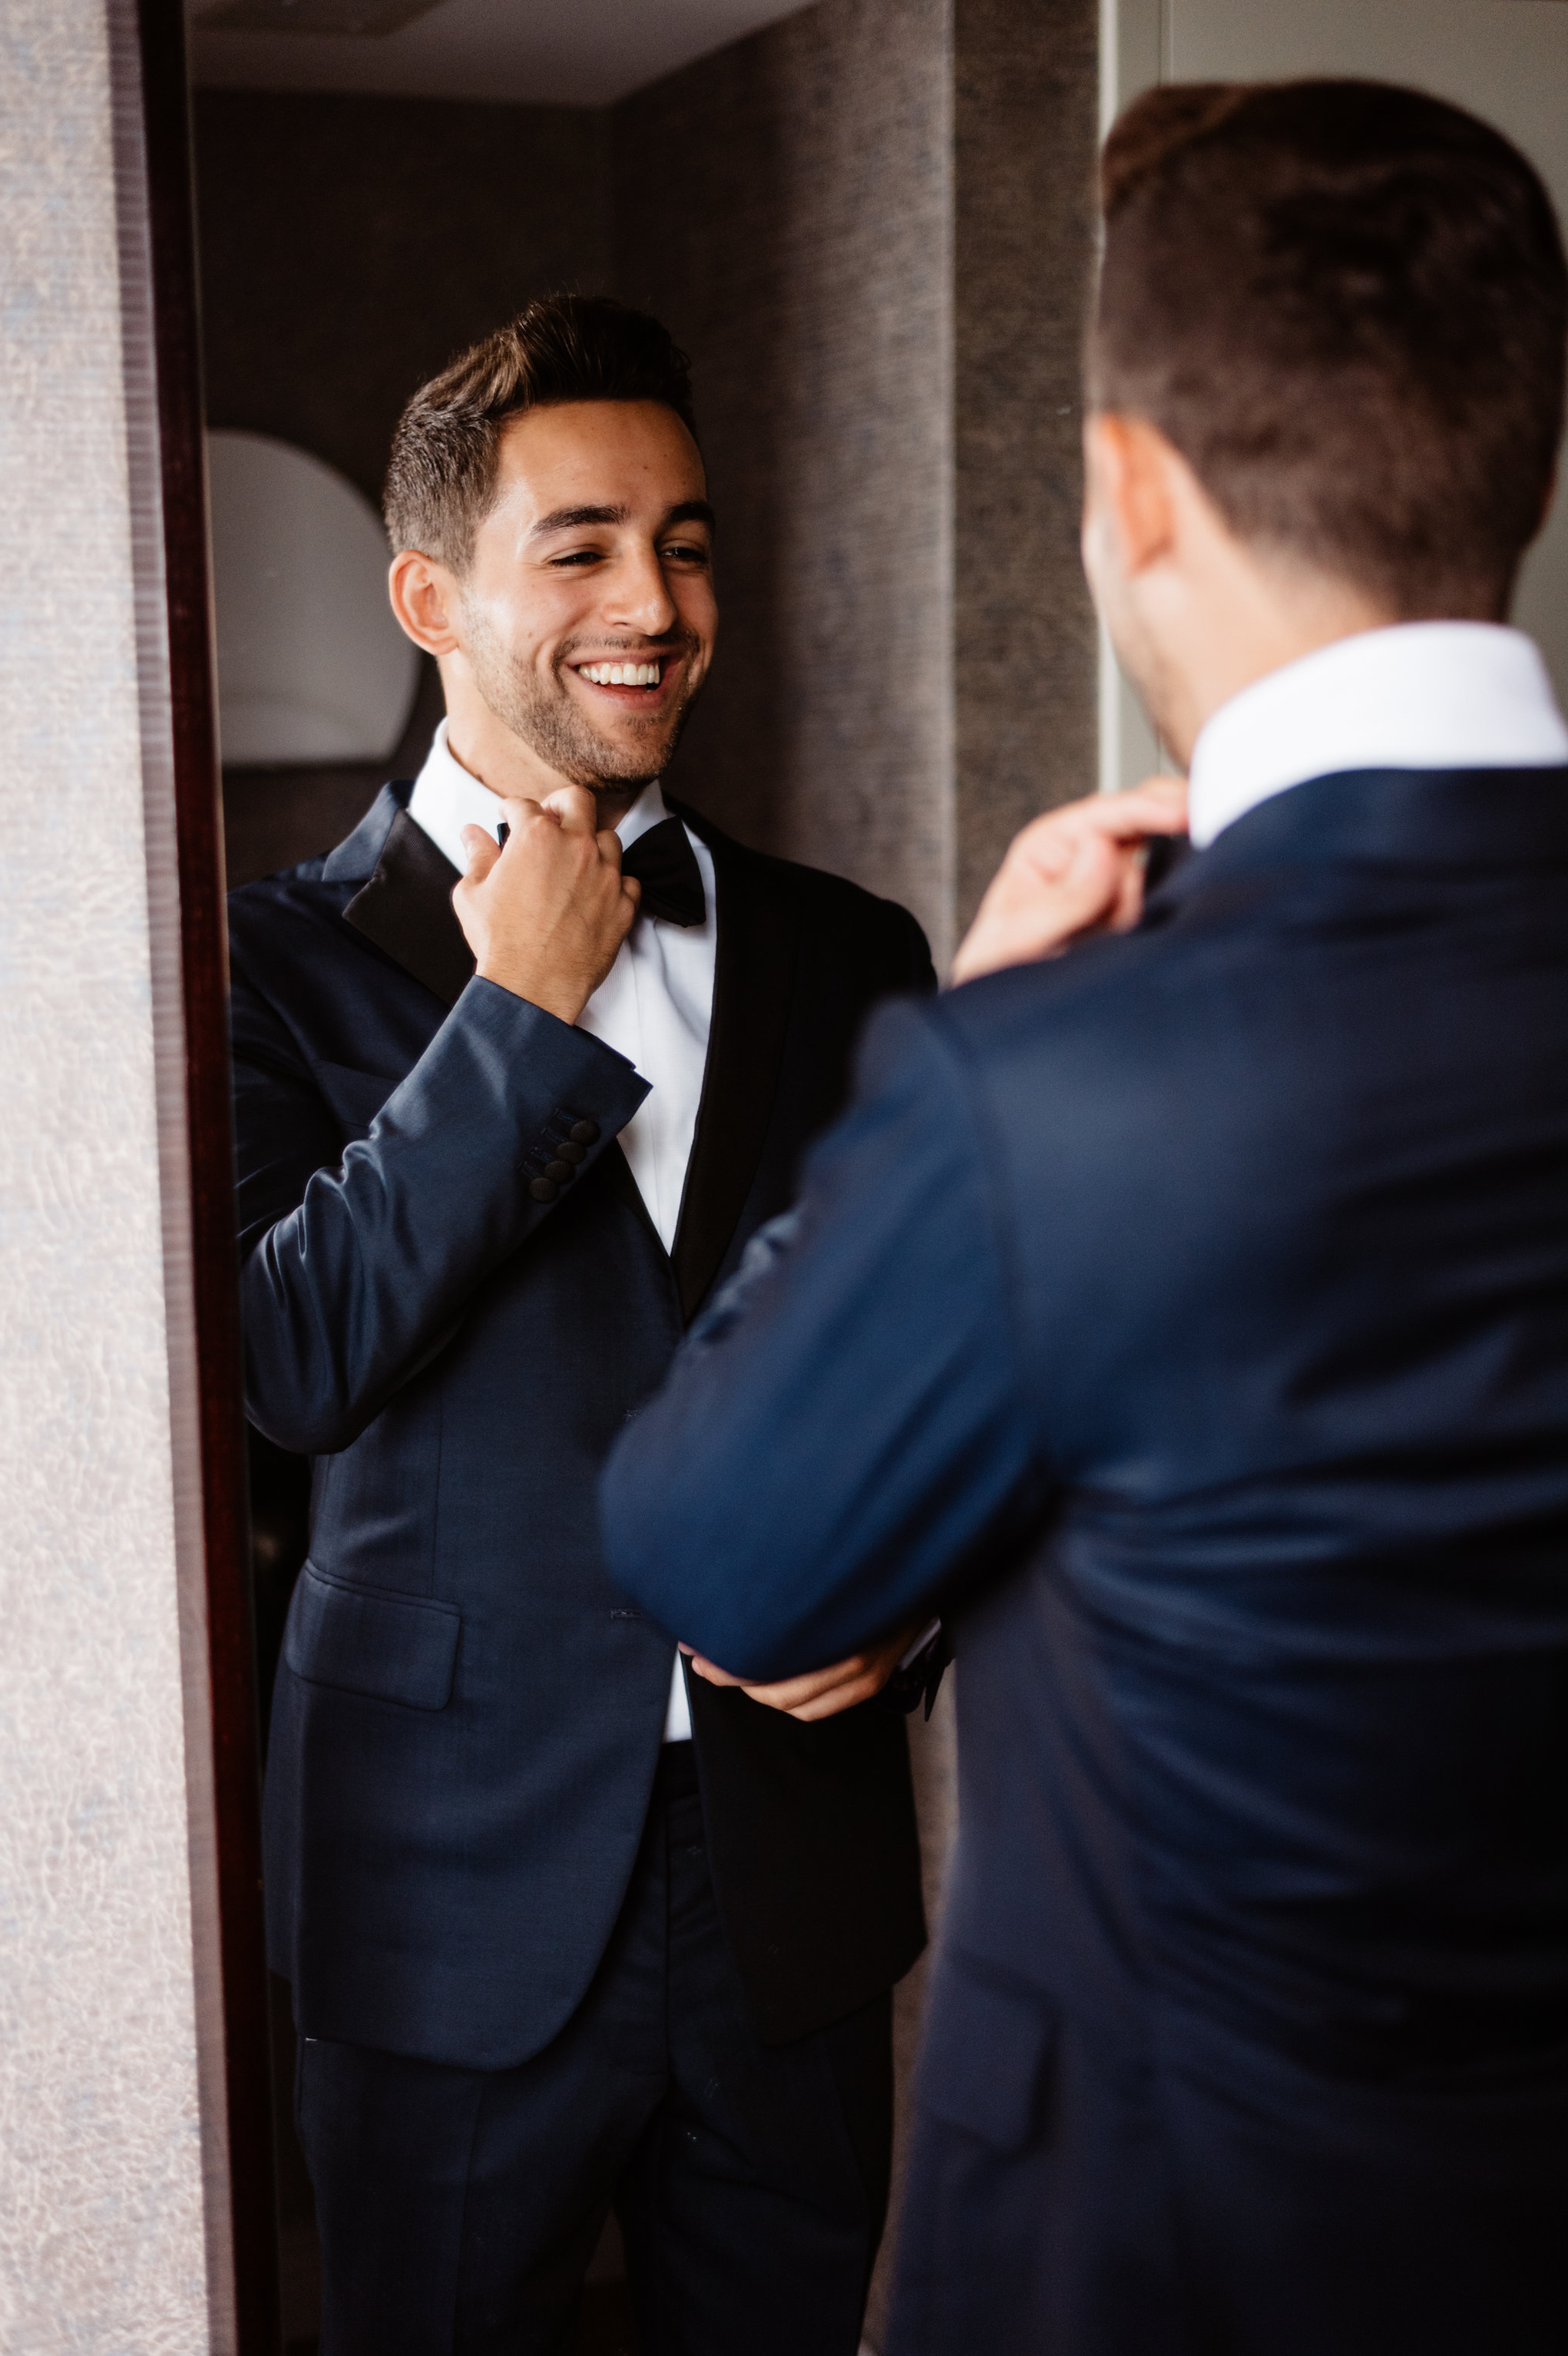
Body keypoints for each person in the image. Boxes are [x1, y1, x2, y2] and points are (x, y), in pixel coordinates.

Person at [601, 81, 1568, 2355]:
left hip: (1165, 2254)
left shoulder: (1046, 1084)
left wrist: (966, 1054)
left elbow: (717, 1540)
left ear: (1129, 488)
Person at [230, 294, 943, 2355]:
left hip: (787, 1891)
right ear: (426, 594)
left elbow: (944, 1369)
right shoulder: (255, 967)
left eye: (690, 540)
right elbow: (289, 1357)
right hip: (439, 1889)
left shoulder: (845, 950)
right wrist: (512, 1013)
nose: (657, 600)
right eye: (587, 546)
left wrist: (913, 1604)